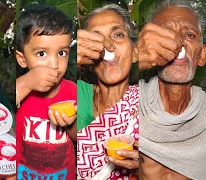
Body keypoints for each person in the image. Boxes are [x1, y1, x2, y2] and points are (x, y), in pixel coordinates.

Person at [138, 0, 206, 179]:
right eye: (166, 35)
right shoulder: (127, 103)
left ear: (202, 55)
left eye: (189, 35)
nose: (177, 43)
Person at [76, 4, 139, 179]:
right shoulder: (75, 94)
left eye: (118, 34)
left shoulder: (151, 104)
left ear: (135, 52)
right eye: (95, 39)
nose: (108, 46)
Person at [15, 5, 76, 179]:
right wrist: (26, 83)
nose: (54, 64)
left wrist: (70, 124)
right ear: (22, 59)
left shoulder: (73, 90)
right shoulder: (18, 89)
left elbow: (80, 137)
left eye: (62, 53)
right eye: (41, 53)